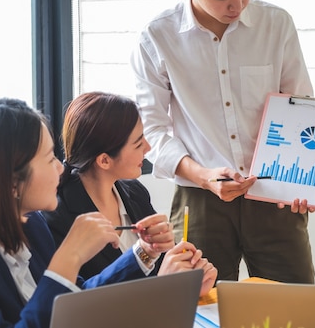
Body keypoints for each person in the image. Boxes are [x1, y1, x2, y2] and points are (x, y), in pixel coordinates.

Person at [131, 0, 315, 283]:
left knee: (296, 309)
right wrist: (203, 176)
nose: (239, 5)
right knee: (198, 309)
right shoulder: (157, 37)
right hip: (199, 199)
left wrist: (303, 182)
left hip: (274, 193)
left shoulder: (276, 24)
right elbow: (151, 129)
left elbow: (302, 107)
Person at [0, 98, 207, 327]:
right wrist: (68, 258)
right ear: (10, 183)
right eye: (49, 158)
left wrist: (144, 253)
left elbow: (75, 299)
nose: (61, 167)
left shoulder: (30, 224)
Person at [42, 91, 217, 295]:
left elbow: (162, 266)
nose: (148, 147)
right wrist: (164, 284)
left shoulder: (134, 193)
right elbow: (82, 301)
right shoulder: (57, 217)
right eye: (138, 143)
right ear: (104, 160)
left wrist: (190, 278)